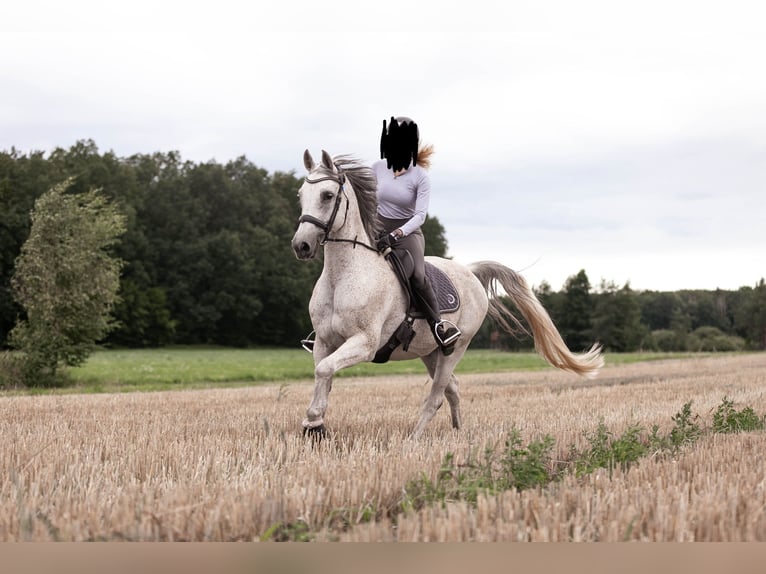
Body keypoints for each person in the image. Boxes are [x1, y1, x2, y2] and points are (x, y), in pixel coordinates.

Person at [373, 116, 461, 353]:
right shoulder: (377, 168)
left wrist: (397, 234)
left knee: (418, 276)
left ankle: (439, 327)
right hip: (376, 227)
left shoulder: (420, 177)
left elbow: (420, 215)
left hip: (407, 231)